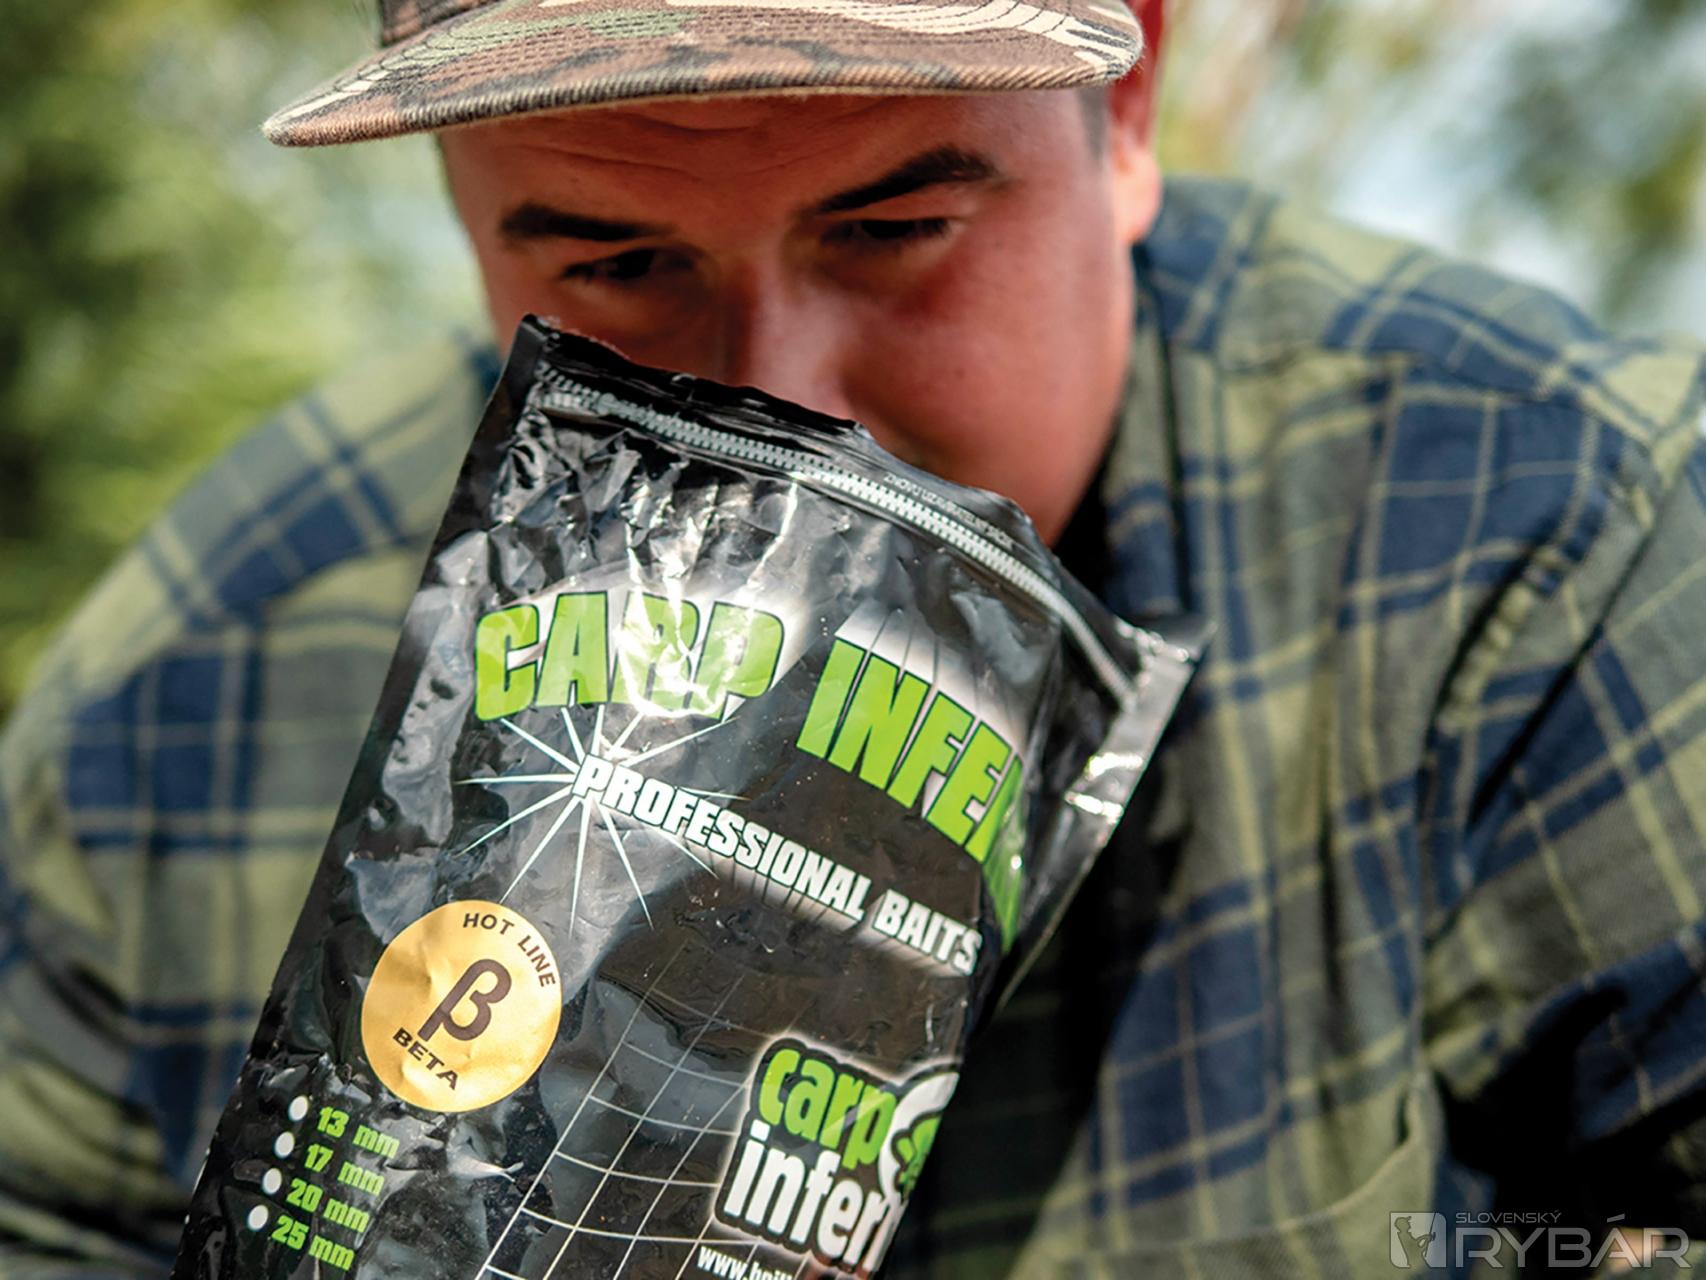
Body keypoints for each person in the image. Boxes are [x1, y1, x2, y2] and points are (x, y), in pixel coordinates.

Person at [3, 0, 1705, 1275]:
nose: (782, 406)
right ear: (462, 205)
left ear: (1126, 106)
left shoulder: (1545, 534)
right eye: (619, 263)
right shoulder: (188, 699)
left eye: (892, 233)